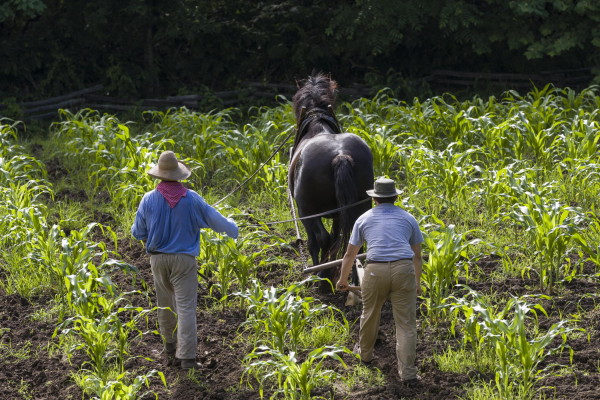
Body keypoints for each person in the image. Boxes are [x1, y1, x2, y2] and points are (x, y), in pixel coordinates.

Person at [131, 150, 239, 370]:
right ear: (180, 176)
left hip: (158, 260)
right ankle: (187, 358)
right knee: (186, 308)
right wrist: (233, 226)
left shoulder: (148, 199)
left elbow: (137, 232)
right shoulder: (192, 199)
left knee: (164, 304)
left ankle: (169, 348)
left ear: (159, 176)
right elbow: (218, 223)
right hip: (184, 261)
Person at [336, 177, 423, 386]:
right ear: (395, 197)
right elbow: (417, 256)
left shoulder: (364, 219)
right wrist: (417, 282)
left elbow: (350, 254)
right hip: (403, 270)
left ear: (374, 199)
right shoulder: (408, 218)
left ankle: (365, 357)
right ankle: (409, 374)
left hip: (375, 271)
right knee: (406, 324)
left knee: (370, 314)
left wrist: (342, 279)